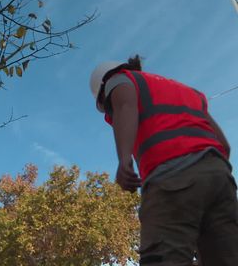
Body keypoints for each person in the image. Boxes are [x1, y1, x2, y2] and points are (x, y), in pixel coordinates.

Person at [90, 55, 238, 266]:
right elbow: (225, 146)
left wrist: (124, 160)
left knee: (163, 259)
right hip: (220, 177)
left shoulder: (119, 79)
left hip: (172, 178)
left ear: (105, 87)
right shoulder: (188, 92)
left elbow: (125, 106)